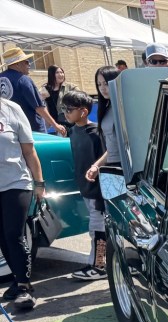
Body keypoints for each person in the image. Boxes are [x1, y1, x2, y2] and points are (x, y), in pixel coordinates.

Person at [0, 88, 46, 309]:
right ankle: (18, 280)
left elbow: (29, 151)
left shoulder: (12, 109)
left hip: (16, 182)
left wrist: (39, 183)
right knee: (2, 237)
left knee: (13, 233)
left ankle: (24, 287)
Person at [61, 90, 107, 280]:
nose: (65, 113)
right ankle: (97, 263)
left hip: (99, 191)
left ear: (84, 111)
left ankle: (99, 266)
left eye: (69, 109)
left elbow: (108, 159)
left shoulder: (96, 133)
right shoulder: (73, 131)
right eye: (63, 108)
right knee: (97, 228)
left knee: (97, 228)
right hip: (86, 189)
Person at [0, 47, 66, 136]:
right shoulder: (23, 79)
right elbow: (39, 107)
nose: (29, 64)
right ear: (17, 64)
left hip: (8, 129)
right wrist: (56, 125)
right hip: (32, 129)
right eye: (26, 62)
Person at [84, 67, 121, 185]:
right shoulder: (107, 107)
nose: (102, 88)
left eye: (106, 83)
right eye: (99, 84)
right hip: (112, 166)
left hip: (126, 167)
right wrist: (96, 165)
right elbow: (112, 147)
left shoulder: (123, 107)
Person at [41, 66, 77, 133]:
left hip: (69, 122)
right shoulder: (45, 89)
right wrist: (42, 97)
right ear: (51, 74)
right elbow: (39, 105)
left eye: (62, 72)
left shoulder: (71, 87)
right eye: (57, 72)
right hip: (53, 124)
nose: (61, 74)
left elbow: (82, 100)